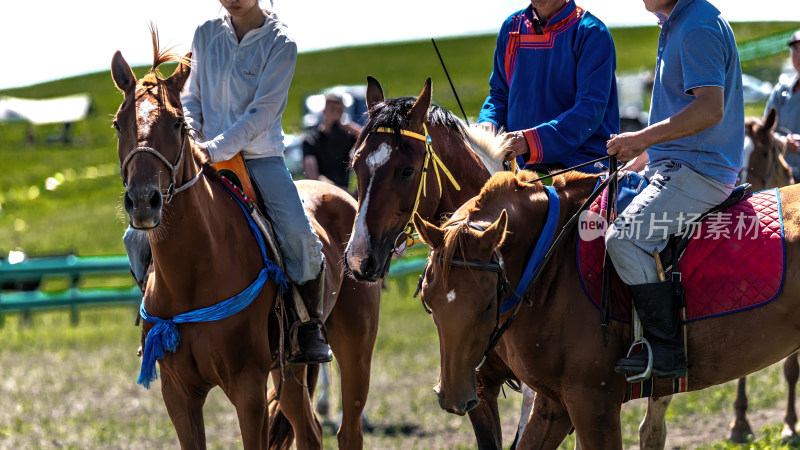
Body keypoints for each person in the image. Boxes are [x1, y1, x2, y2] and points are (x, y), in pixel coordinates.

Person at [125, 0, 332, 365]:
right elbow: (190, 99)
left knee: (298, 235)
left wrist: (214, 148)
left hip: (259, 157)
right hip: (200, 154)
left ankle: (307, 325)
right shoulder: (206, 33)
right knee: (135, 237)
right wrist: (193, 143)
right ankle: (154, 316)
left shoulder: (281, 43)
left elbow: (262, 113)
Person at [606, 0, 744, 378]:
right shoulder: (677, 22)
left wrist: (642, 138)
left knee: (625, 238)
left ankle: (664, 350)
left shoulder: (697, 26)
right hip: (677, 164)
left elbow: (709, 110)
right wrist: (640, 157)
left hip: (700, 170)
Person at [477, 0, 620, 173]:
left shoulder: (591, 32)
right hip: (519, 165)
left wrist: (530, 141)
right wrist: (488, 124)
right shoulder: (511, 27)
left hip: (583, 164)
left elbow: (589, 109)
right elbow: (499, 94)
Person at [302, 93, 360, 191]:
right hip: (319, 191)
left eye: (339, 111)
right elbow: (312, 175)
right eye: (332, 110)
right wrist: (337, 190)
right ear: (324, 112)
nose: (336, 115)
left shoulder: (346, 136)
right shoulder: (311, 139)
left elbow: (370, 138)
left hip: (343, 191)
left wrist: (351, 127)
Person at [765, 29, 800, 180]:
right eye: (797, 50)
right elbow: (765, 129)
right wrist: (781, 140)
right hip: (780, 176)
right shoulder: (781, 90)